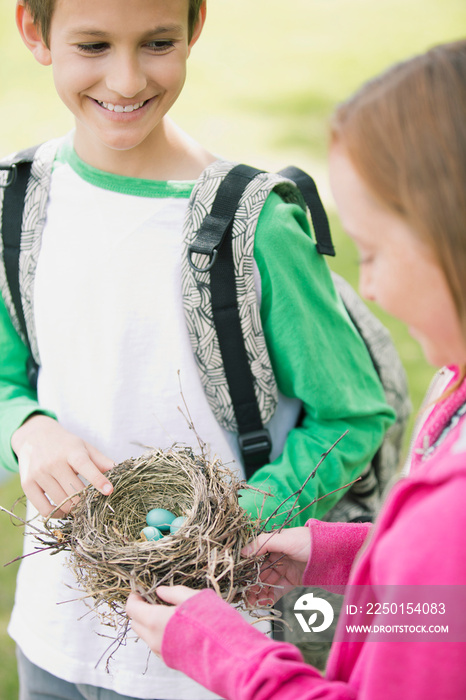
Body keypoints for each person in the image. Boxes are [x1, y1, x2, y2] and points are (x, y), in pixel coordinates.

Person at [0, 0, 395, 698]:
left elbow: (353, 415)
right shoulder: (16, 202)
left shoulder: (255, 226)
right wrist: (26, 430)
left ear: (196, 26)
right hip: (55, 640)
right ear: (34, 31)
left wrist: (242, 514)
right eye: (92, 45)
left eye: (157, 43)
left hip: (219, 653)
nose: (125, 80)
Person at [125, 39, 466, 699]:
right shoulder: (456, 391)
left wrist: (227, 653)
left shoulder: (450, 510)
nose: (368, 291)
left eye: (371, 252)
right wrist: (343, 559)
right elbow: (446, 617)